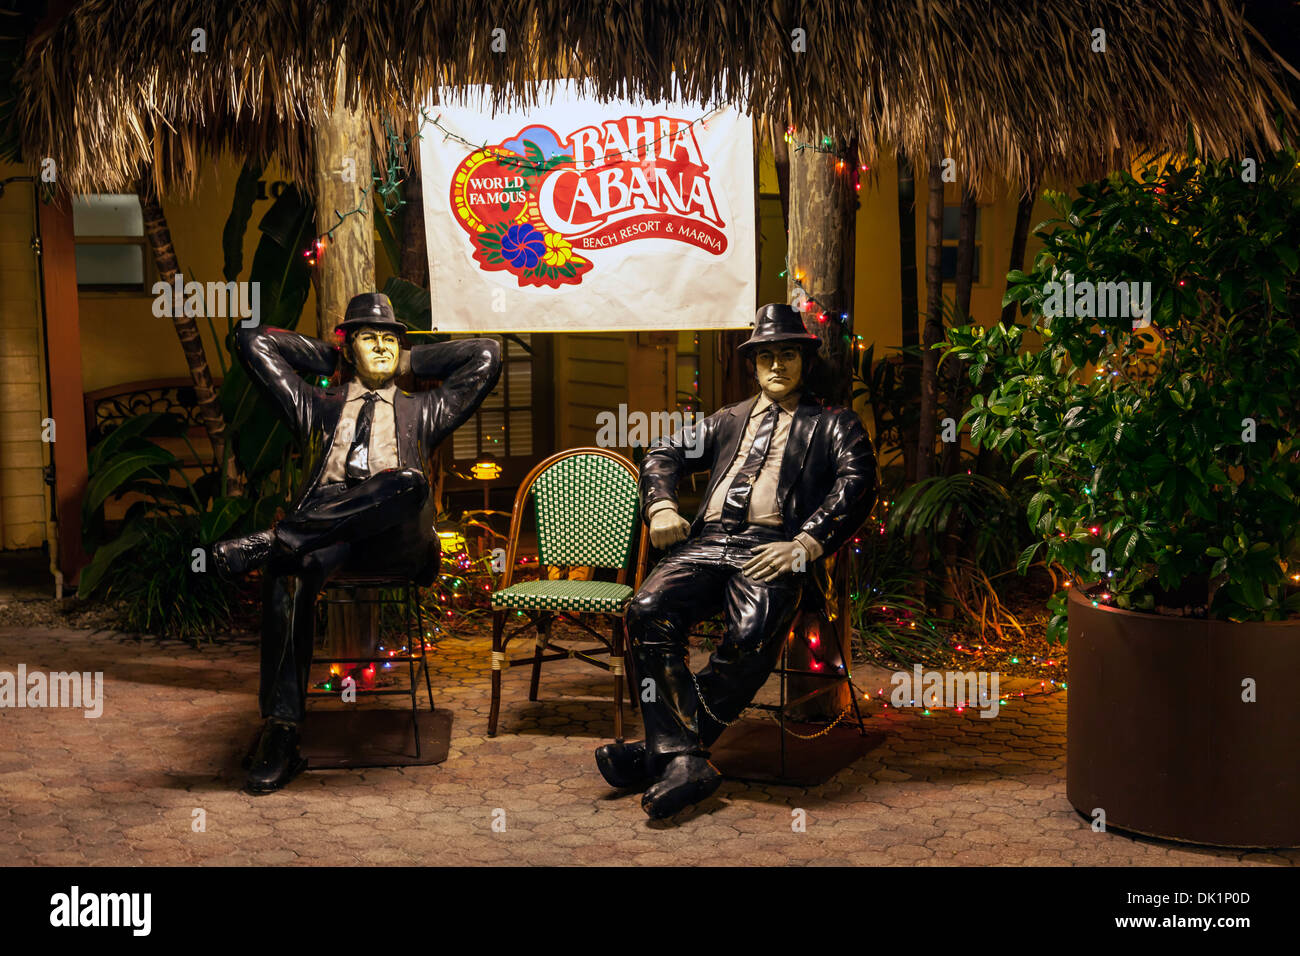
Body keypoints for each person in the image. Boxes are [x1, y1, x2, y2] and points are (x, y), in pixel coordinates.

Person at [596, 303, 878, 819]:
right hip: (708, 541)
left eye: (787, 354)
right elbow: (662, 453)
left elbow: (857, 485)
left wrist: (804, 545)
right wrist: (660, 505)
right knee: (647, 609)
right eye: (765, 356)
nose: (776, 366)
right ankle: (682, 757)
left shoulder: (835, 424)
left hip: (775, 547)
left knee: (750, 637)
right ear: (753, 364)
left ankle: (665, 752)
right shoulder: (727, 419)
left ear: (803, 361)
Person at [212, 292, 501, 794]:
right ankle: (281, 731)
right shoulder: (315, 406)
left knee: (406, 482)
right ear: (350, 348)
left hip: (395, 538)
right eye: (371, 338)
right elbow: (252, 339)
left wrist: (408, 356)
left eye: (392, 339)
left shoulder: (426, 409)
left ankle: (271, 541)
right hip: (329, 532)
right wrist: (333, 355)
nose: (385, 347)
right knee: (289, 570)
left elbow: (488, 355)